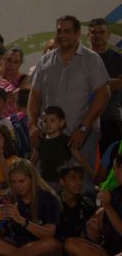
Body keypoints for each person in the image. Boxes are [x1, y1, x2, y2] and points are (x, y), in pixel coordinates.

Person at [27, 16, 110, 175]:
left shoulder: (91, 59)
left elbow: (103, 95)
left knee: (81, 186)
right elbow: (35, 96)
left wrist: (84, 128)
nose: (62, 35)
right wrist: (31, 126)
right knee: (47, 185)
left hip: (79, 137)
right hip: (49, 137)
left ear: (78, 33)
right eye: (59, 31)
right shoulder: (45, 61)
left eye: (67, 31)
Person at [0, 159, 63, 256]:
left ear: (31, 179)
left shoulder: (47, 198)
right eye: (14, 182)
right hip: (15, 244)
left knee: (50, 244)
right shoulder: (10, 196)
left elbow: (49, 234)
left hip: (38, 244)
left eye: (21, 181)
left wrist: (21, 220)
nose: (18, 186)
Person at [66, 155, 122, 256]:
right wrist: (96, 225)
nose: (113, 172)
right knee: (71, 243)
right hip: (109, 251)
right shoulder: (115, 193)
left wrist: (107, 207)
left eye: (115, 168)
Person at [87, 18, 122, 158]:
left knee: (111, 163)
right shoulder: (81, 58)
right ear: (88, 35)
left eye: (102, 32)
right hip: (85, 120)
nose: (98, 35)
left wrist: (93, 84)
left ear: (108, 35)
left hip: (110, 120)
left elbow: (120, 83)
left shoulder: (117, 58)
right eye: (94, 32)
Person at [33, 106, 85, 183]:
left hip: (62, 182)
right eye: (45, 121)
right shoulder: (40, 141)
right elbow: (33, 160)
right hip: (43, 181)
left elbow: (80, 158)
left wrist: (91, 173)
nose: (48, 124)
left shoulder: (66, 140)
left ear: (61, 123)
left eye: (52, 121)